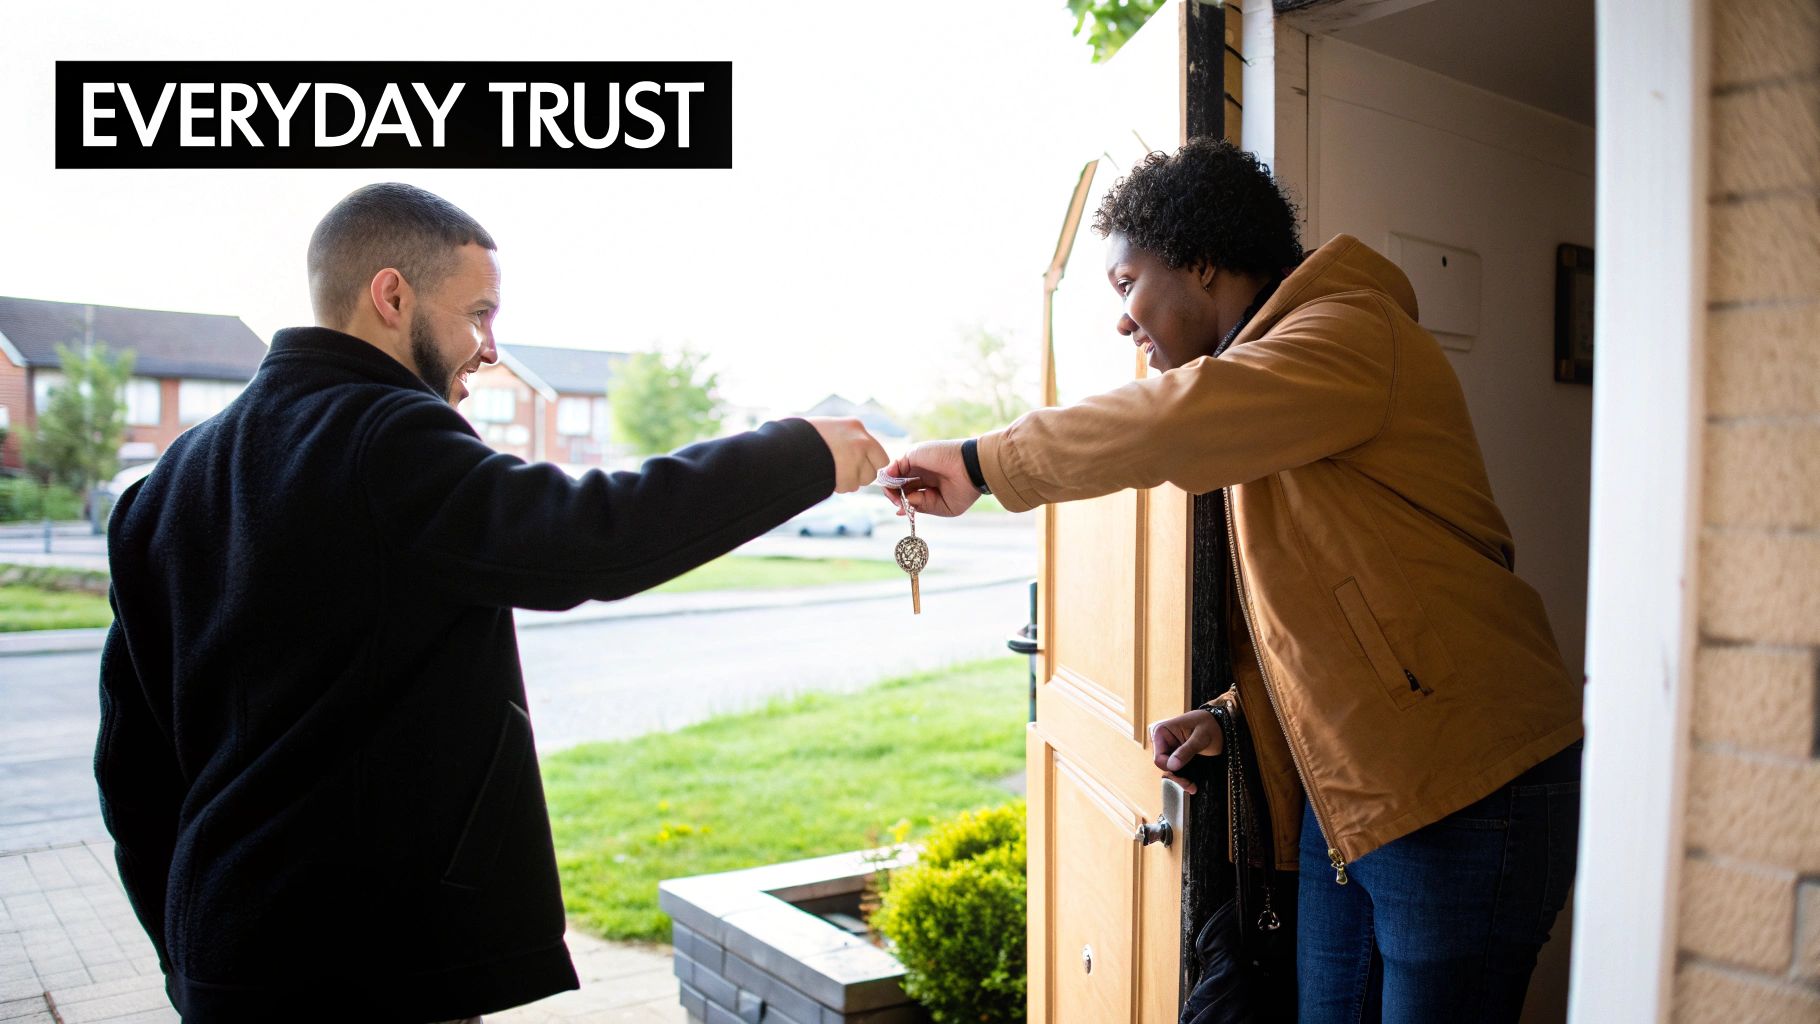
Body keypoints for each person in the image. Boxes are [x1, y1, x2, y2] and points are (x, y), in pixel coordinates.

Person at [95, 182, 888, 1023]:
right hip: (367, 967)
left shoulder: (169, 480)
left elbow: (131, 772)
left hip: (225, 955)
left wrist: (185, 948)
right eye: (478, 314)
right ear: (391, 296)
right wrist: (802, 454)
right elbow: (590, 534)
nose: (490, 349)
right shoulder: (383, 434)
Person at [884, 139, 1583, 1023]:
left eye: (1127, 283)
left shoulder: (1348, 333)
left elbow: (1175, 420)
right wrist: (1231, 716)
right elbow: (1327, 607)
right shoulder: (1274, 384)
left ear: (1203, 264)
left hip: (1470, 782)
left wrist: (986, 463)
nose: (1123, 319)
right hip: (1357, 796)